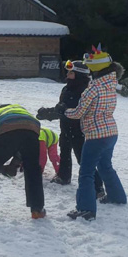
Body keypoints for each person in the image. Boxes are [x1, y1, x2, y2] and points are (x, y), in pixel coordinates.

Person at [62, 45, 127, 220]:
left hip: (96, 135)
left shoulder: (93, 88)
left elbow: (78, 113)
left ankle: (86, 209)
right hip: (111, 132)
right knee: (105, 166)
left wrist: (63, 111)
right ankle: (117, 197)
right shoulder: (111, 84)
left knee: (86, 172)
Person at [37, 60, 105, 195]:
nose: (68, 74)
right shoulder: (67, 88)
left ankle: (98, 187)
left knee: (83, 158)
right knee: (65, 151)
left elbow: (81, 110)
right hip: (66, 126)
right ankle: (64, 176)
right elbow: (60, 108)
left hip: (79, 129)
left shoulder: (85, 91)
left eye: (71, 72)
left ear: (79, 75)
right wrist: (48, 113)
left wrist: (63, 110)